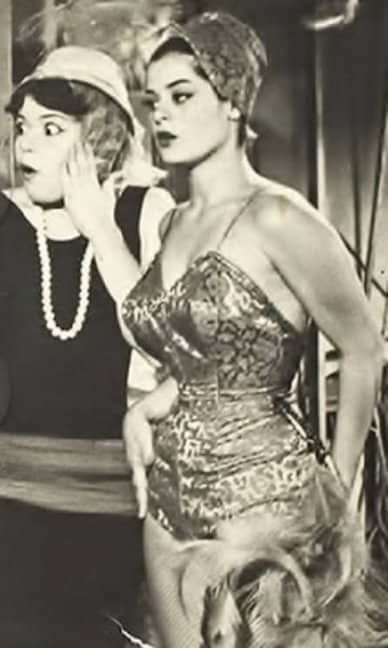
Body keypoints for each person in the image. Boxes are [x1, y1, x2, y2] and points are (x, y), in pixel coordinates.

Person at [123, 12, 386, 646]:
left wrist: (338, 488)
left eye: (182, 96)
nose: (163, 117)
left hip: (264, 507)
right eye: (154, 102)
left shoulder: (278, 216)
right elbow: (198, 355)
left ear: (234, 101)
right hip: (166, 502)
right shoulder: (170, 223)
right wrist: (148, 406)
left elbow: (363, 349)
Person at [0, 45, 174, 647]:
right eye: (22, 127)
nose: (25, 146)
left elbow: (164, 345)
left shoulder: (147, 212)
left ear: (100, 139)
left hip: (115, 505)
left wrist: (100, 228)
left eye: (51, 129)